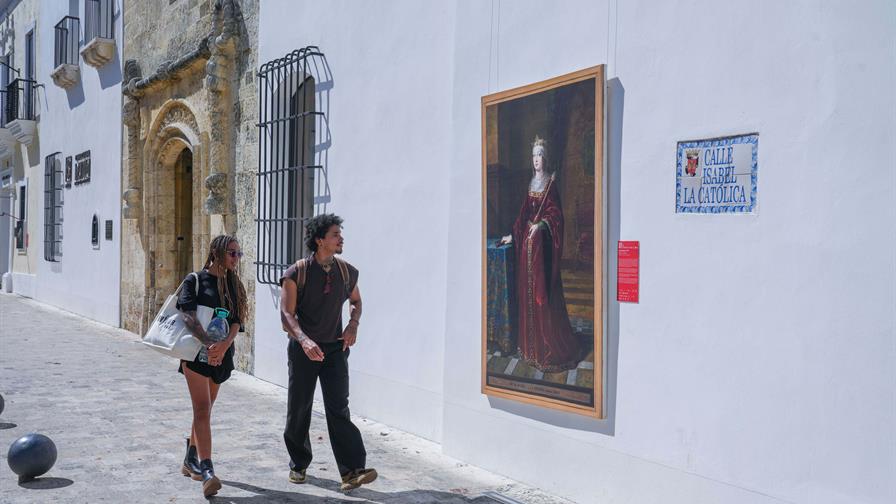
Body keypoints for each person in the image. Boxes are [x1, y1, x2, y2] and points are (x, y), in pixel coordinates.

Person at [280, 214, 377, 492]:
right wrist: (304, 340)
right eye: (335, 234)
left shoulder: (346, 271)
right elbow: (286, 315)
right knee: (300, 407)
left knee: (339, 409)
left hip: (335, 350)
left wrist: (353, 324)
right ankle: (298, 463)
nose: (340, 238)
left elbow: (356, 301)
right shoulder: (296, 272)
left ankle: (352, 471)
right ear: (320, 240)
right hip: (304, 350)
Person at [499, 136, 582, 372]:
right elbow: (523, 214)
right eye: (534, 155)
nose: (536, 159)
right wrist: (513, 235)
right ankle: (530, 348)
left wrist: (543, 225)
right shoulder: (531, 184)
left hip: (541, 250)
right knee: (527, 295)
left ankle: (545, 348)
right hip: (526, 246)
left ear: (545, 159)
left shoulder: (550, 184)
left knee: (540, 295)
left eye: (540, 155)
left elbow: (556, 216)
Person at [177, 235, 247, 497]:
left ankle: (190, 458)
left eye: (238, 254)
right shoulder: (195, 280)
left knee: (205, 410)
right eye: (232, 253)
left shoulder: (233, 284)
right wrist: (208, 344)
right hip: (196, 354)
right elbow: (187, 316)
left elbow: (237, 320)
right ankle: (207, 470)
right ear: (217, 252)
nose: (236, 258)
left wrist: (224, 345)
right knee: (202, 409)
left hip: (222, 356)